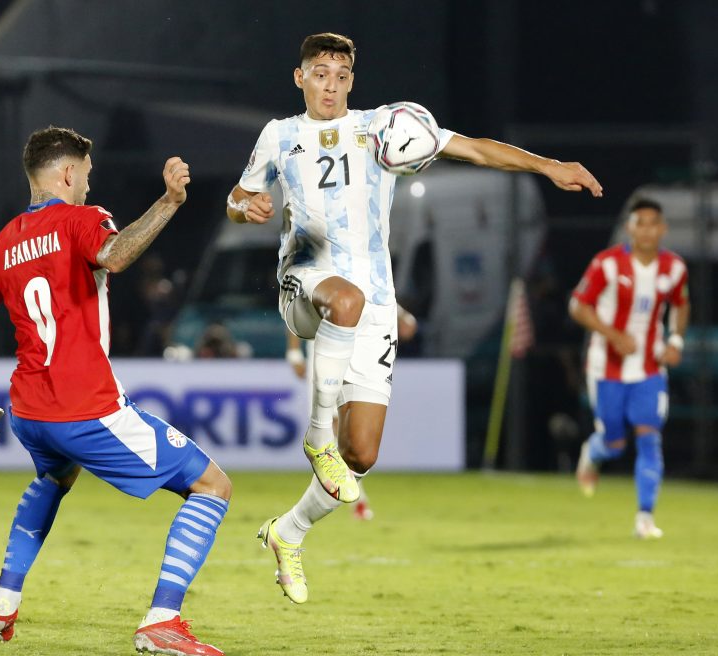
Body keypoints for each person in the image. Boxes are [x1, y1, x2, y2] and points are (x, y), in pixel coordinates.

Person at [227, 32, 602, 603]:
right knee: (342, 317)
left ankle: (288, 531)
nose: (331, 85)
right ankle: (315, 438)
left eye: (342, 75)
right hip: (303, 280)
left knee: (363, 454)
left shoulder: (384, 127)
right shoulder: (278, 136)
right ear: (299, 78)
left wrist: (548, 166)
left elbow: (474, 148)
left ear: (352, 81)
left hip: (376, 298)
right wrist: (244, 206)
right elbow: (239, 195)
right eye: (320, 73)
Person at [0, 126, 230, 656]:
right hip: (85, 407)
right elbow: (117, 255)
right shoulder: (83, 218)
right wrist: (169, 202)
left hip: (30, 411)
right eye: (86, 175)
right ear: (69, 172)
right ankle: (162, 620)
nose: (87, 184)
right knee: (213, 486)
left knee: (55, 477)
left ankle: (2, 606)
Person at [571, 197, 689, 539]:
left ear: (663, 228)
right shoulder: (607, 265)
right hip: (606, 367)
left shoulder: (674, 268)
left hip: (650, 367)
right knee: (615, 443)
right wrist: (612, 335)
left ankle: (645, 518)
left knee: (650, 438)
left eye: (654, 223)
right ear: (630, 228)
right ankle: (593, 450)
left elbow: (682, 304)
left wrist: (676, 341)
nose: (648, 230)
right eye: (641, 222)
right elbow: (578, 306)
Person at [285, 304, 418, 521]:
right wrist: (293, 352)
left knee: (349, 435)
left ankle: (344, 498)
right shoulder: (323, 275)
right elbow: (297, 302)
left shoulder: (364, 273)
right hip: (324, 352)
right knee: (331, 430)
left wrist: (403, 315)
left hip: (360, 355)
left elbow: (379, 292)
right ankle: (347, 499)